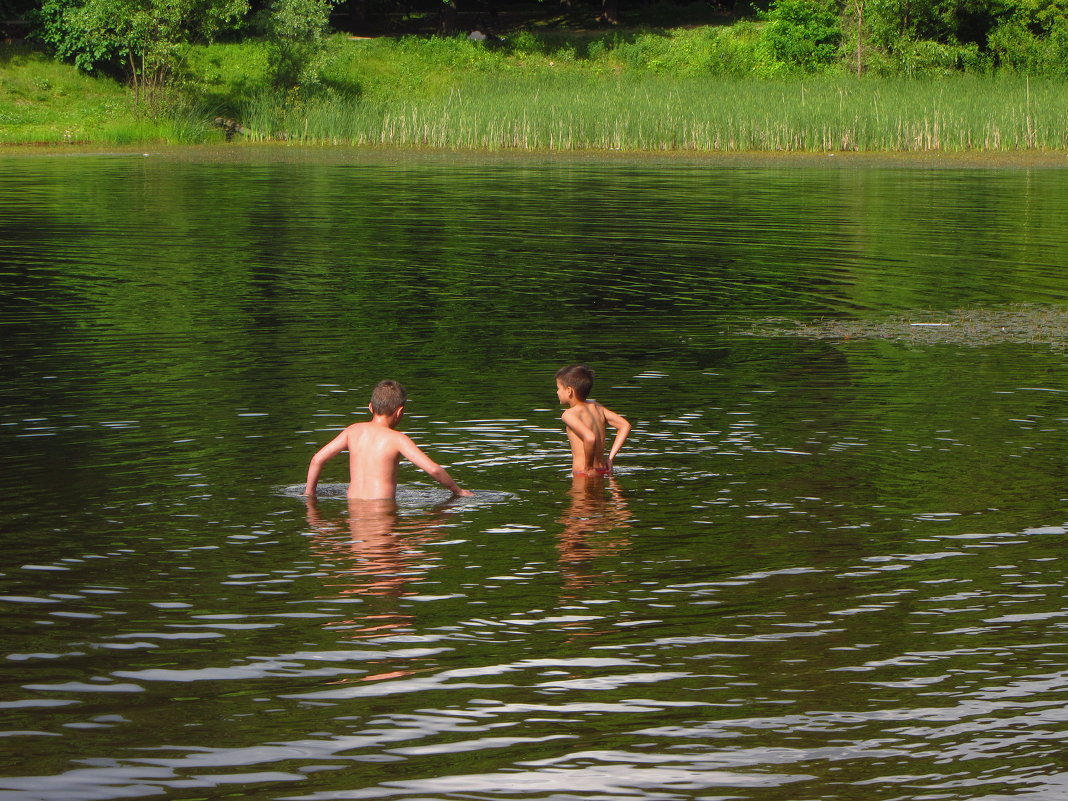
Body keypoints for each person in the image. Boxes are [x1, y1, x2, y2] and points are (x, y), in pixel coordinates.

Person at [303, 379, 473, 500]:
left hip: (353, 505)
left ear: (370, 407)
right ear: (400, 412)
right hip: (382, 508)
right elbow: (434, 470)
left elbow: (317, 459)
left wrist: (310, 494)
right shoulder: (397, 439)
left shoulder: (352, 431)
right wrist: (457, 491)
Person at [555, 364, 631, 477]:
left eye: (559, 388)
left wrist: (588, 467)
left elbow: (590, 438)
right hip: (602, 469)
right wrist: (610, 459)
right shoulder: (596, 406)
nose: (557, 392)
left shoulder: (569, 414)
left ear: (569, 390)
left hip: (583, 473)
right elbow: (625, 425)